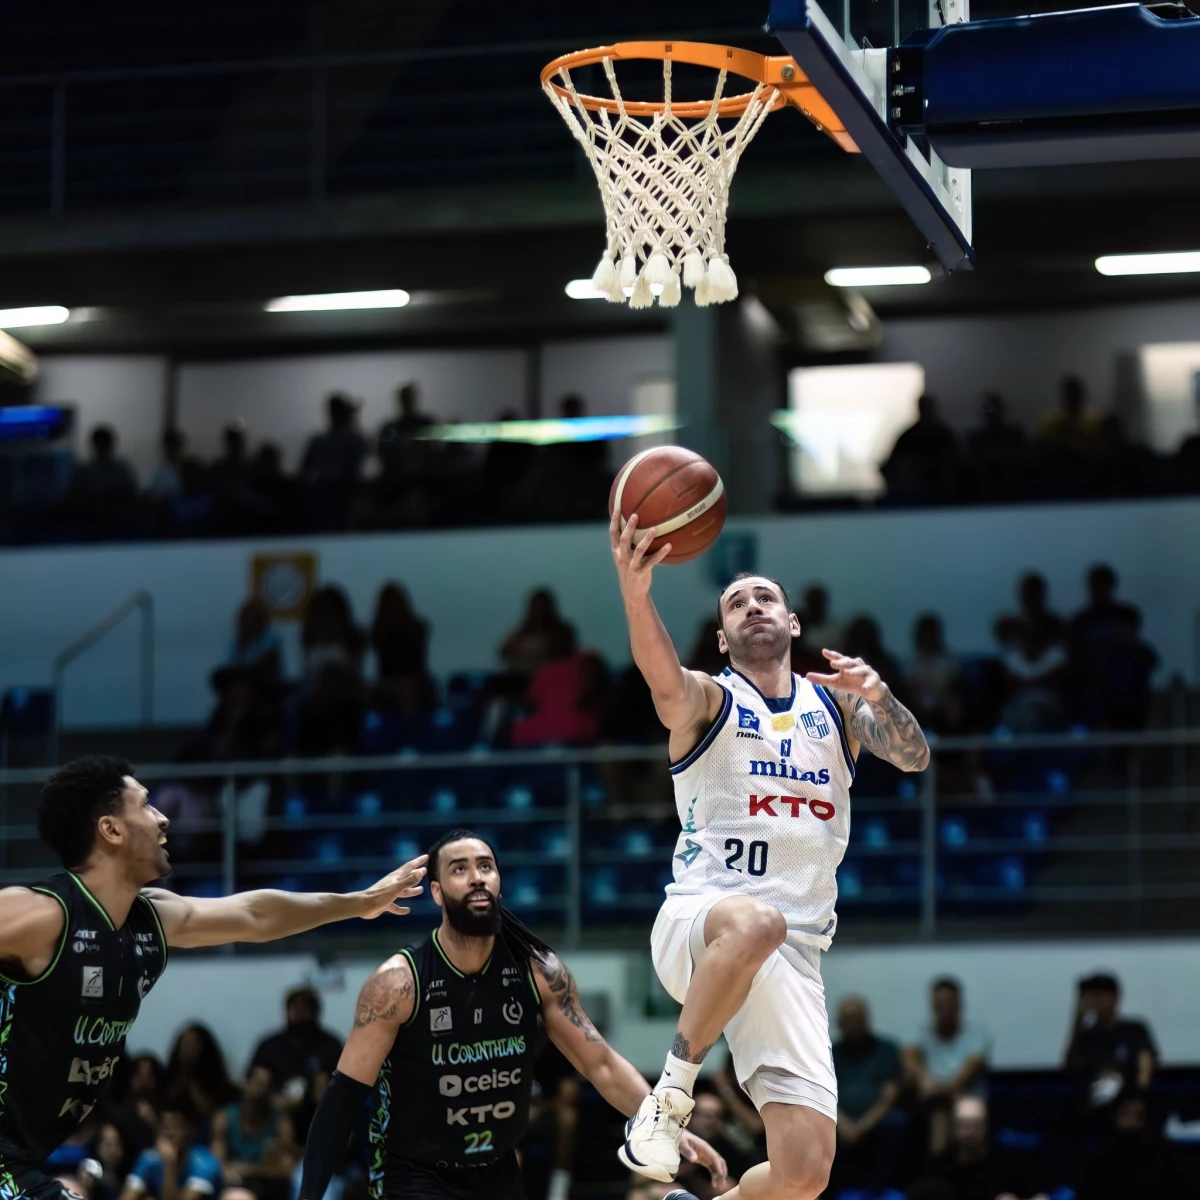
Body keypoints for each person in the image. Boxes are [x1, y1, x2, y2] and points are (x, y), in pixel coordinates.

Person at [607, 506, 929, 1200]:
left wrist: (882, 695)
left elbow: (914, 757)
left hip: (795, 953)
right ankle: (667, 1101)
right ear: (722, 639)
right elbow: (660, 674)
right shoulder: (708, 701)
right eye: (735, 602)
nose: (752, 605)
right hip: (702, 922)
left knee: (805, 1172)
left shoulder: (835, 709)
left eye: (766, 598)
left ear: (793, 625)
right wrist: (637, 596)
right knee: (757, 922)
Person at [0, 756, 427, 1200]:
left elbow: (255, 914)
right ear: (112, 830)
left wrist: (358, 903)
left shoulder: (151, 921)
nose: (163, 818)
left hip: (24, 1159)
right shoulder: (42, 914)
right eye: (146, 805)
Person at [296, 829, 727, 1200]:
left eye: (485, 866)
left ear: (499, 881)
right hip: (412, 1173)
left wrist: (665, 1127)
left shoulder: (538, 969)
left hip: (497, 1171)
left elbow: (600, 1064)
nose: (476, 877)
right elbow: (343, 1098)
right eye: (459, 869)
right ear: (437, 891)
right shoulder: (397, 984)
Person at [903, 979, 991, 1158]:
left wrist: (939, 1089)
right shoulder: (922, 1031)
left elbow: (967, 1073)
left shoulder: (978, 1033)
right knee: (937, 1111)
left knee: (955, 1112)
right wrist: (924, 1078)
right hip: (932, 1098)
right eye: (939, 1004)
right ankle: (940, 1168)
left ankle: (942, 1165)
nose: (945, 1008)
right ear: (932, 1006)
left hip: (968, 1095)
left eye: (949, 1003)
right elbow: (908, 1057)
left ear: (959, 1005)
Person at [829, 996, 906, 1194]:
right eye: (847, 1019)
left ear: (867, 1019)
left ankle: (878, 1189)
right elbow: (823, 1093)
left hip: (875, 1119)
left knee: (897, 1122)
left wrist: (864, 1125)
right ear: (839, 1023)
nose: (852, 1024)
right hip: (839, 1118)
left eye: (856, 1018)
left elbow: (890, 1095)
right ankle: (829, 1191)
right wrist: (843, 1123)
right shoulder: (829, 1053)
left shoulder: (886, 1049)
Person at [1063, 972, 1157, 1113]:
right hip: (1093, 1107)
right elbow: (1071, 1066)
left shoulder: (1134, 1030)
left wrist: (1137, 1097)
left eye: (1100, 996)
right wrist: (1078, 1019)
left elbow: (1145, 1065)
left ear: (1115, 997)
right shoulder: (1087, 1035)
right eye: (1091, 996)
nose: (1096, 1002)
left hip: (1130, 1104)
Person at [250, 987, 344, 1113]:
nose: (300, 1015)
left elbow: (343, 1089)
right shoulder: (270, 1046)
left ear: (316, 1012)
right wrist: (271, 1098)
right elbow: (256, 1085)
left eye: (305, 1009)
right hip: (276, 1114)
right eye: (295, 1009)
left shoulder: (330, 1045)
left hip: (317, 1113)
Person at [211, 1064, 299, 1197]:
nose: (260, 1090)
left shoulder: (281, 1122)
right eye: (257, 1083)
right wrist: (225, 1170)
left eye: (266, 1085)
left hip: (267, 1186)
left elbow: (287, 1170)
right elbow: (216, 1159)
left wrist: (249, 1171)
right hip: (233, 1184)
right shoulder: (224, 1117)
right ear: (245, 1084)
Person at [117, 1102, 222, 1200]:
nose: (170, 1134)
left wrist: (170, 1163)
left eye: (176, 1128)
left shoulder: (205, 1163)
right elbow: (127, 1196)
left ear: (189, 1131)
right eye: (166, 1128)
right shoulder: (149, 1158)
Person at [163, 1023, 239, 1125]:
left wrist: (191, 1083)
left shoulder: (221, 1087)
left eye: (193, 1046)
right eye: (185, 1045)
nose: (188, 1051)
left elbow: (212, 1115)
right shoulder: (166, 1080)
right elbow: (165, 1106)